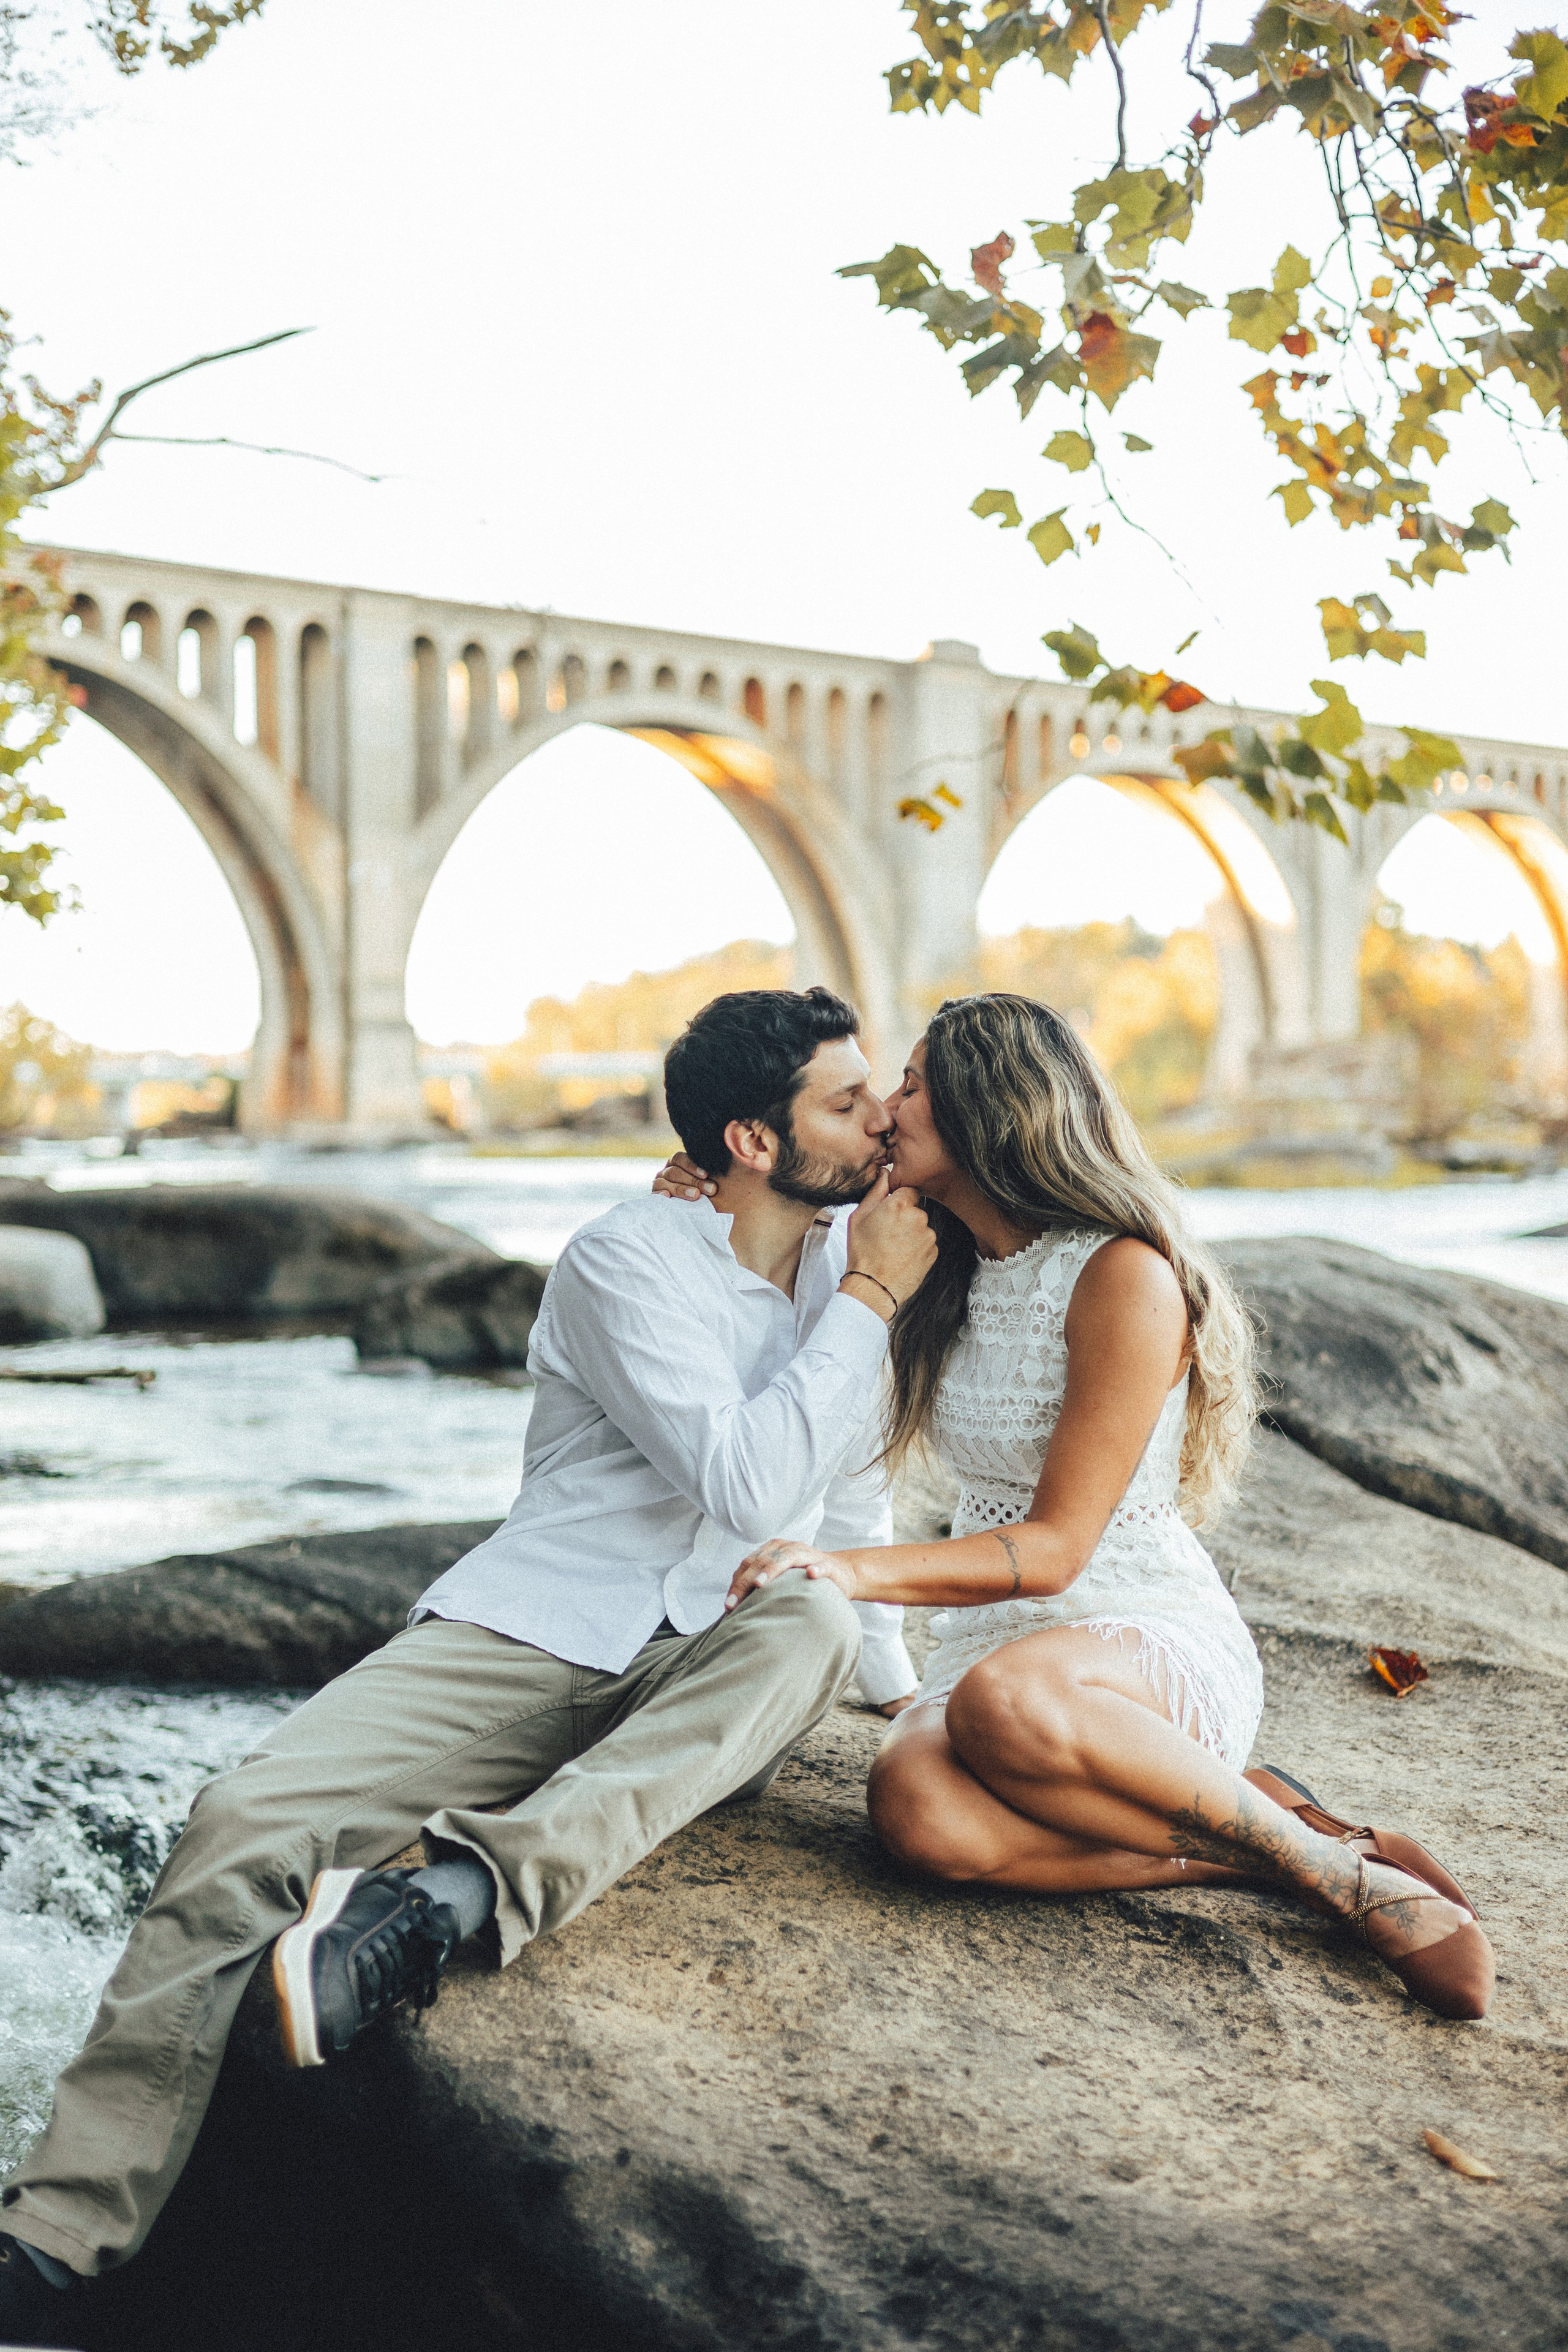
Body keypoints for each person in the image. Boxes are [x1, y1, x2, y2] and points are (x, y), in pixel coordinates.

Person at [0, 986, 935, 2343]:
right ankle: (54, 2250)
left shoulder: (864, 1264)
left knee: (815, 1619)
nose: (879, 1124)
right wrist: (863, 1301)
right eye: (846, 1105)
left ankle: (448, 1900)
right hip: (532, 1629)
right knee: (238, 1824)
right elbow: (747, 1479)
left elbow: (844, 1509)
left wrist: (898, 1690)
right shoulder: (628, 1259)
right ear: (748, 1137)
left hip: (716, 1651)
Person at [672, 993, 1494, 2023]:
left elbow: (1059, 1549)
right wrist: (706, 1197)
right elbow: (775, 1273)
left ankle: (1348, 1883)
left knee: (1000, 1707)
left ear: (989, 1114)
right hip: (998, 1642)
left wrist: (847, 1571)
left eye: (914, 1087)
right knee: (917, 1816)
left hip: (1138, 1634)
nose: (885, 1109)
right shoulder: (922, 1259)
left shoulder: (1122, 1276)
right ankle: (1281, 1848)